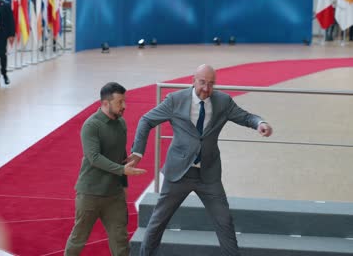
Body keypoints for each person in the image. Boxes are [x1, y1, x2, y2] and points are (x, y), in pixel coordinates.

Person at [129, 64, 273, 256]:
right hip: (179, 173)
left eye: (211, 84)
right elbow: (146, 120)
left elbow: (246, 117)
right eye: (202, 82)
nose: (206, 88)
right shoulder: (175, 100)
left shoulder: (223, 101)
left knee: (225, 223)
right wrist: (138, 153)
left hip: (208, 174)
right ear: (193, 81)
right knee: (158, 222)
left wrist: (260, 123)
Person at [64, 82, 147, 256]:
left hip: (114, 195)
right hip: (89, 194)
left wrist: (124, 184)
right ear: (105, 103)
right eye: (119, 102)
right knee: (78, 239)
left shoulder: (121, 123)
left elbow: (121, 156)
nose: (124, 106)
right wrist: (122, 170)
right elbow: (94, 158)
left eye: (124, 101)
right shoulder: (91, 126)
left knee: (121, 241)